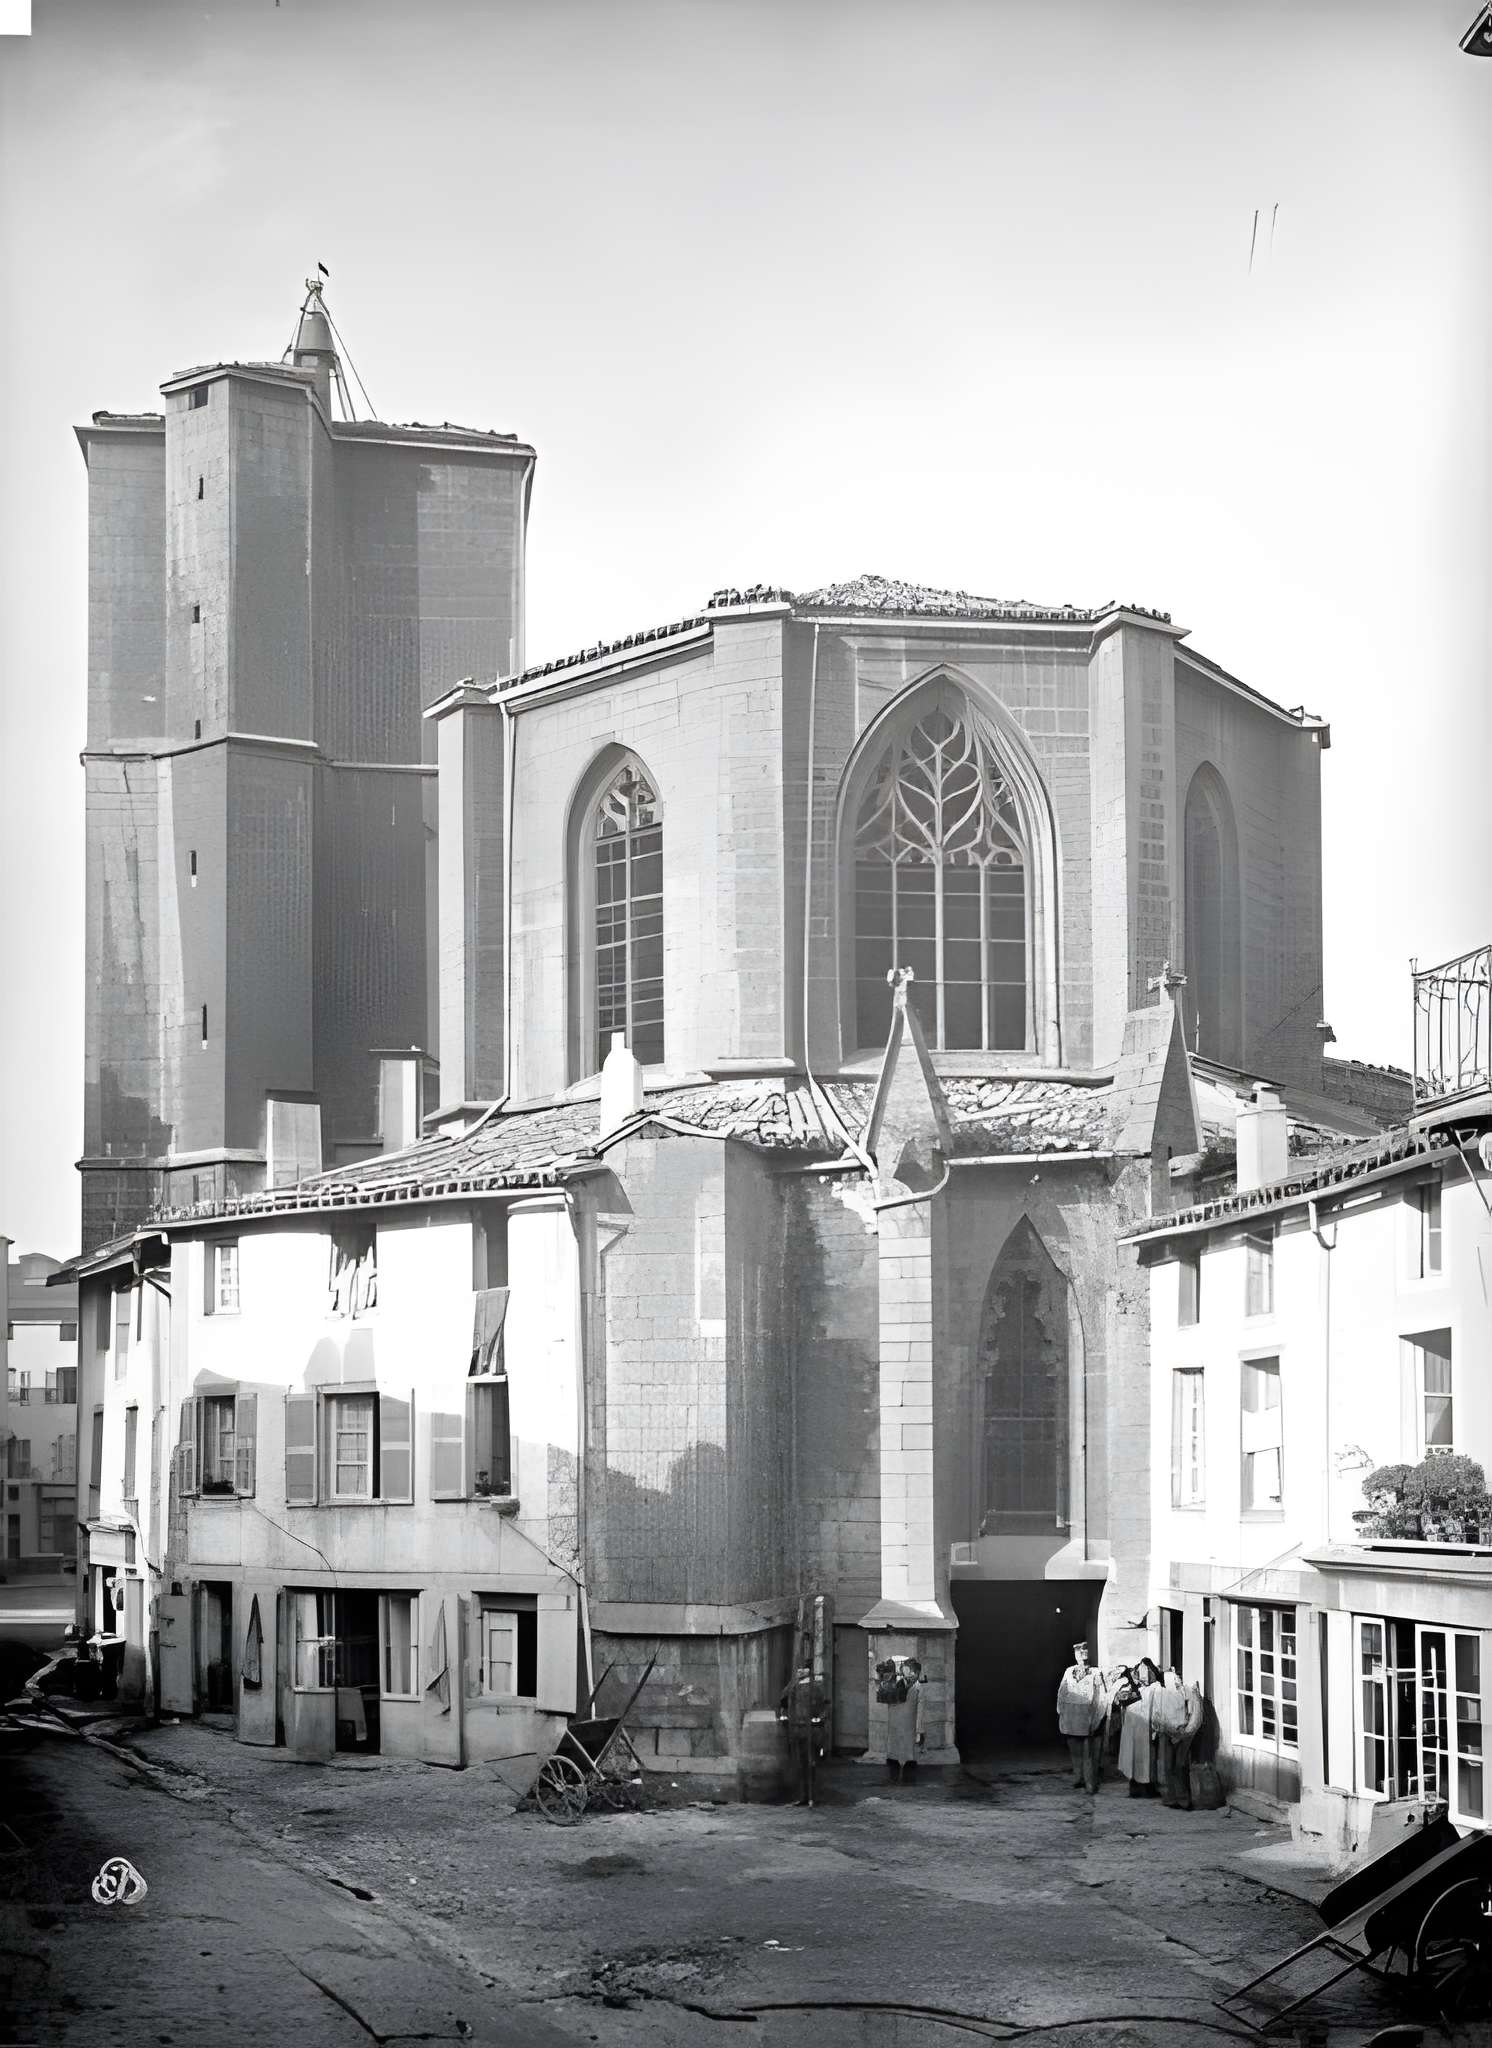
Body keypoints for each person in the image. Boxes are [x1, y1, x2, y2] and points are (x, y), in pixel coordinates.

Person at [1056, 1639, 1108, 1792]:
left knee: (1088, 1753)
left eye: (1084, 1654)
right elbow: (1062, 1691)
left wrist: (1097, 1718)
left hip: (1087, 1718)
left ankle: (1090, 1783)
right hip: (1071, 1717)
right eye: (1078, 1654)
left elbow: (1101, 1696)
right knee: (1075, 1750)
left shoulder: (1096, 1672)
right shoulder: (1069, 1671)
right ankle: (1078, 1777)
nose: (1081, 1657)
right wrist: (1061, 1711)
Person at [777, 1661, 828, 1806]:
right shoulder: (793, 1686)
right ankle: (804, 1796)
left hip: (811, 1730)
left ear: (808, 1671)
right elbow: (783, 1700)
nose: (799, 1671)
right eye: (798, 1669)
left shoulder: (815, 1687)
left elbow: (824, 1707)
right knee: (801, 1765)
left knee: (810, 1764)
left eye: (802, 1669)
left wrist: (819, 1721)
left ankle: (811, 1796)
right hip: (798, 1729)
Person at [1156, 1669, 1205, 1809]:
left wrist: (1182, 1732)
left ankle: (1182, 1799)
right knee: (1169, 1767)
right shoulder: (1167, 1695)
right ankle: (1173, 1798)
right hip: (1170, 1733)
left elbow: (1191, 1716)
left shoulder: (1186, 1694)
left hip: (1181, 1735)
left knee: (1179, 1767)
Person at [1117, 1657, 1164, 1798]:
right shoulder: (1130, 1687)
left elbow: (1157, 1708)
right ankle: (1135, 1788)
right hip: (1133, 1728)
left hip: (1145, 1728)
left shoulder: (1154, 1689)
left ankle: (1147, 1787)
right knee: (1134, 1757)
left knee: (1146, 1758)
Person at [885, 1656, 926, 1782]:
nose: (908, 1673)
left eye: (910, 1670)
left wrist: (919, 1730)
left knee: (909, 1754)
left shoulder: (918, 1687)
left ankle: (907, 1780)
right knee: (895, 1753)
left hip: (909, 1726)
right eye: (906, 1669)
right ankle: (894, 1778)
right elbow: (890, 1704)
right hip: (897, 1726)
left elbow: (920, 1711)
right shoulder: (898, 1684)